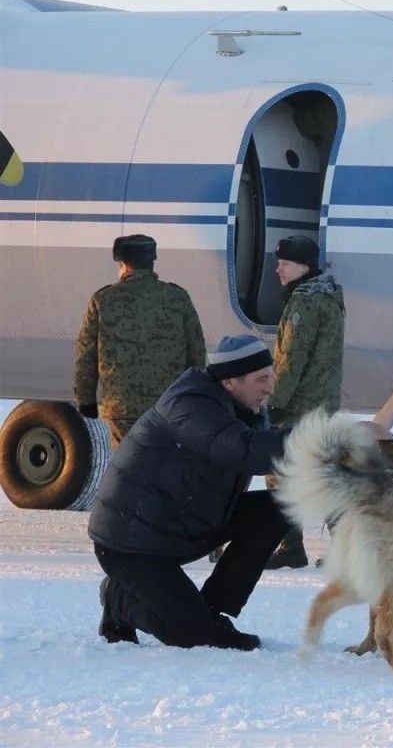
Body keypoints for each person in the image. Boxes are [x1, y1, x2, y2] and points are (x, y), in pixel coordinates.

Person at [88, 335, 292, 651]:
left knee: (280, 507)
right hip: (131, 542)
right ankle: (118, 600)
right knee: (190, 635)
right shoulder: (189, 405)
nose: (269, 388)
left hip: (182, 525)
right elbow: (246, 451)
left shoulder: (246, 413)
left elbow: (273, 453)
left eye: (271, 378)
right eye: (261, 379)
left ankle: (212, 612)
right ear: (230, 382)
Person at [74, 234, 206, 447]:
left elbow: (86, 355)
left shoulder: (102, 300)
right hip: (169, 406)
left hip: (121, 409)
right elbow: (197, 352)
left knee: (128, 470)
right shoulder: (177, 297)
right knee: (165, 467)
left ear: (123, 264)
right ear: (151, 261)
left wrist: (86, 401)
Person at [262, 235, 346, 569]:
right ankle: (338, 548)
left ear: (305, 266)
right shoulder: (328, 296)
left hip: (300, 404)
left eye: (284, 264)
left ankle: (294, 546)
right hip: (321, 400)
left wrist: (275, 402)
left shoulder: (305, 303)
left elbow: (290, 359)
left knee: (282, 472)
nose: (278, 270)